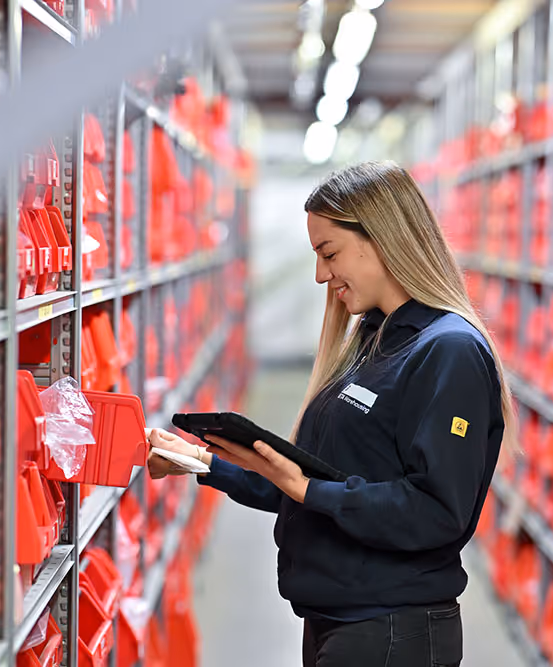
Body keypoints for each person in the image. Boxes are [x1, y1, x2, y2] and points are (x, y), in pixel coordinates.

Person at [146, 161, 516, 667]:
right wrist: (202, 462)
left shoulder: (448, 350)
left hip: (392, 631)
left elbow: (436, 512)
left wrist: (305, 488)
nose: (322, 274)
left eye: (329, 253)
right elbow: (324, 482)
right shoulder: (373, 338)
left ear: (382, 237)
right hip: (340, 621)